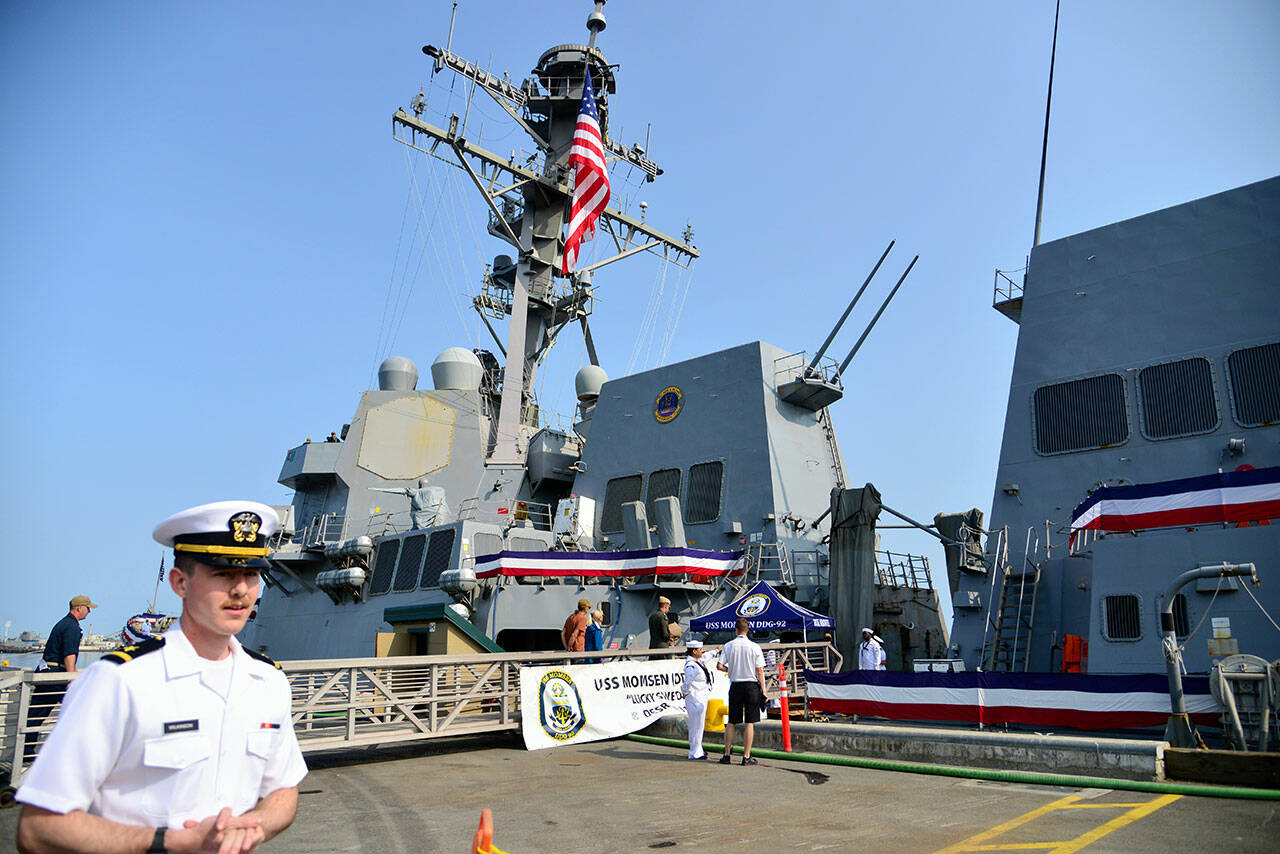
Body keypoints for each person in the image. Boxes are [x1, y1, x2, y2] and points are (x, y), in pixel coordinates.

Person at [16, 500, 307, 854]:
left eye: (250, 574)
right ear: (180, 582)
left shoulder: (269, 682)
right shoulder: (119, 682)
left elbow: (283, 790)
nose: (241, 590)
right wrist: (171, 842)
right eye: (222, 574)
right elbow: (38, 828)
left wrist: (251, 828)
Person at [716, 617, 767, 766]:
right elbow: (759, 671)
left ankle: (726, 755)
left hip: (736, 685)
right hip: (751, 686)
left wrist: (730, 670)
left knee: (731, 722)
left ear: (736, 630)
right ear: (748, 630)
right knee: (749, 722)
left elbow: (719, 666)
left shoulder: (729, 645)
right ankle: (746, 756)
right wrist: (763, 690)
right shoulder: (755, 647)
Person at [37, 595, 97, 674]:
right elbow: (69, 654)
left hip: (47, 669)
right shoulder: (72, 626)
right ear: (79, 608)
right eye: (88, 608)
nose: (89, 611)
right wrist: (71, 677)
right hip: (55, 674)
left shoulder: (65, 623)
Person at [370, 477, 450, 529]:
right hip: (441, 516)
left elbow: (403, 491)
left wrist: (376, 489)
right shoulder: (438, 490)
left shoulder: (417, 492)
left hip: (428, 517)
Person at [680, 640, 714, 760]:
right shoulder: (691, 666)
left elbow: (705, 657)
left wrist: (716, 651)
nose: (702, 651)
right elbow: (687, 683)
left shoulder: (697, 661)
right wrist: (684, 693)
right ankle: (694, 752)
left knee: (699, 726)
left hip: (700, 698)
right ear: (694, 651)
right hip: (695, 699)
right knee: (696, 726)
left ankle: (698, 749)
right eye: (700, 650)